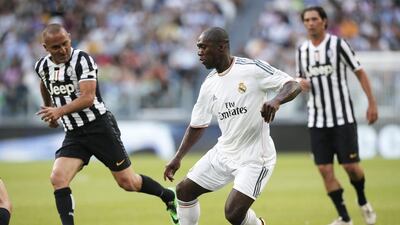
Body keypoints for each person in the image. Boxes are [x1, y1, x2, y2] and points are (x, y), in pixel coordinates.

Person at [34, 23, 179, 225]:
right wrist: (49, 109)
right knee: (58, 178)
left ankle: (168, 196)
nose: (63, 50)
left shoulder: (82, 60)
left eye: (65, 43)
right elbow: (44, 82)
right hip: (74, 133)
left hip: (99, 127)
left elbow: (88, 98)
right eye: (56, 47)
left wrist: (58, 111)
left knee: (128, 182)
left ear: (69, 37)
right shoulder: (42, 66)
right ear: (45, 48)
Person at [164, 27, 301, 225]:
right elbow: (197, 125)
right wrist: (178, 157)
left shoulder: (252, 69)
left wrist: (277, 100)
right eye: (198, 48)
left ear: (221, 47)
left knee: (233, 213)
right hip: (224, 152)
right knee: (184, 191)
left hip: (255, 157)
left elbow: (292, 84)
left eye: (203, 47)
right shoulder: (209, 84)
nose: (199, 52)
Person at [296, 6, 378, 225]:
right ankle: (344, 218)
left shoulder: (338, 45)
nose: (310, 23)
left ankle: (362, 200)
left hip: (342, 117)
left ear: (324, 21)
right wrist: (300, 84)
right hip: (316, 119)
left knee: (350, 167)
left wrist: (371, 103)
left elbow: (359, 72)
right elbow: (300, 80)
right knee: (324, 169)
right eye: (306, 20)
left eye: (314, 19)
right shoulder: (301, 51)